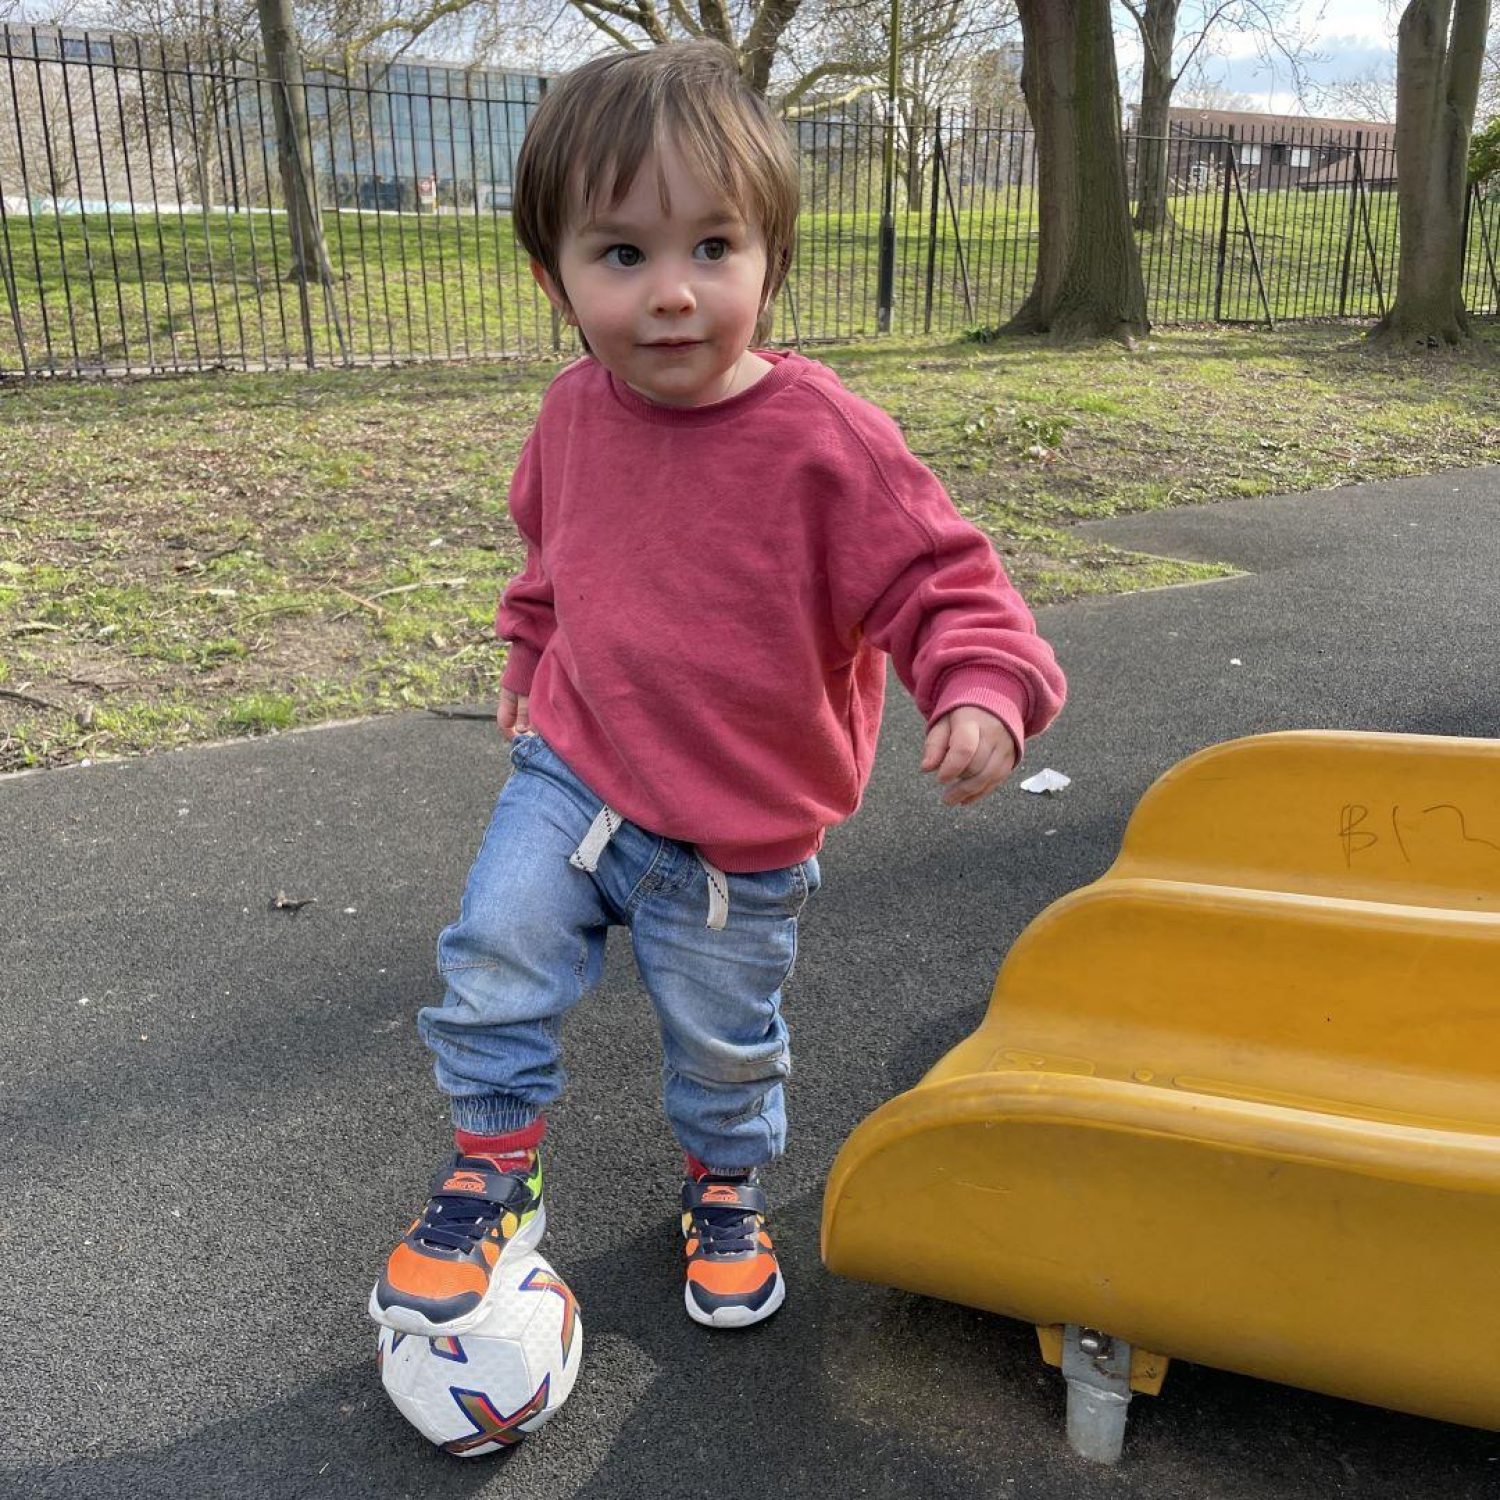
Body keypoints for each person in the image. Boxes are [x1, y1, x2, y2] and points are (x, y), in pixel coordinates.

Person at [369, 39, 1065, 1337]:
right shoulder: (572, 412)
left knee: (724, 1048)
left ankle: (725, 1188)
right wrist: (528, 657)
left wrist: (980, 684)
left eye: (713, 249)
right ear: (556, 280)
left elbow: (941, 580)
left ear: (771, 262)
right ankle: (494, 1174)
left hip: (735, 837)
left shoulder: (822, 443)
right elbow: (550, 559)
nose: (672, 294)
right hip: (577, 773)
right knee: (491, 961)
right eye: (623, 255)